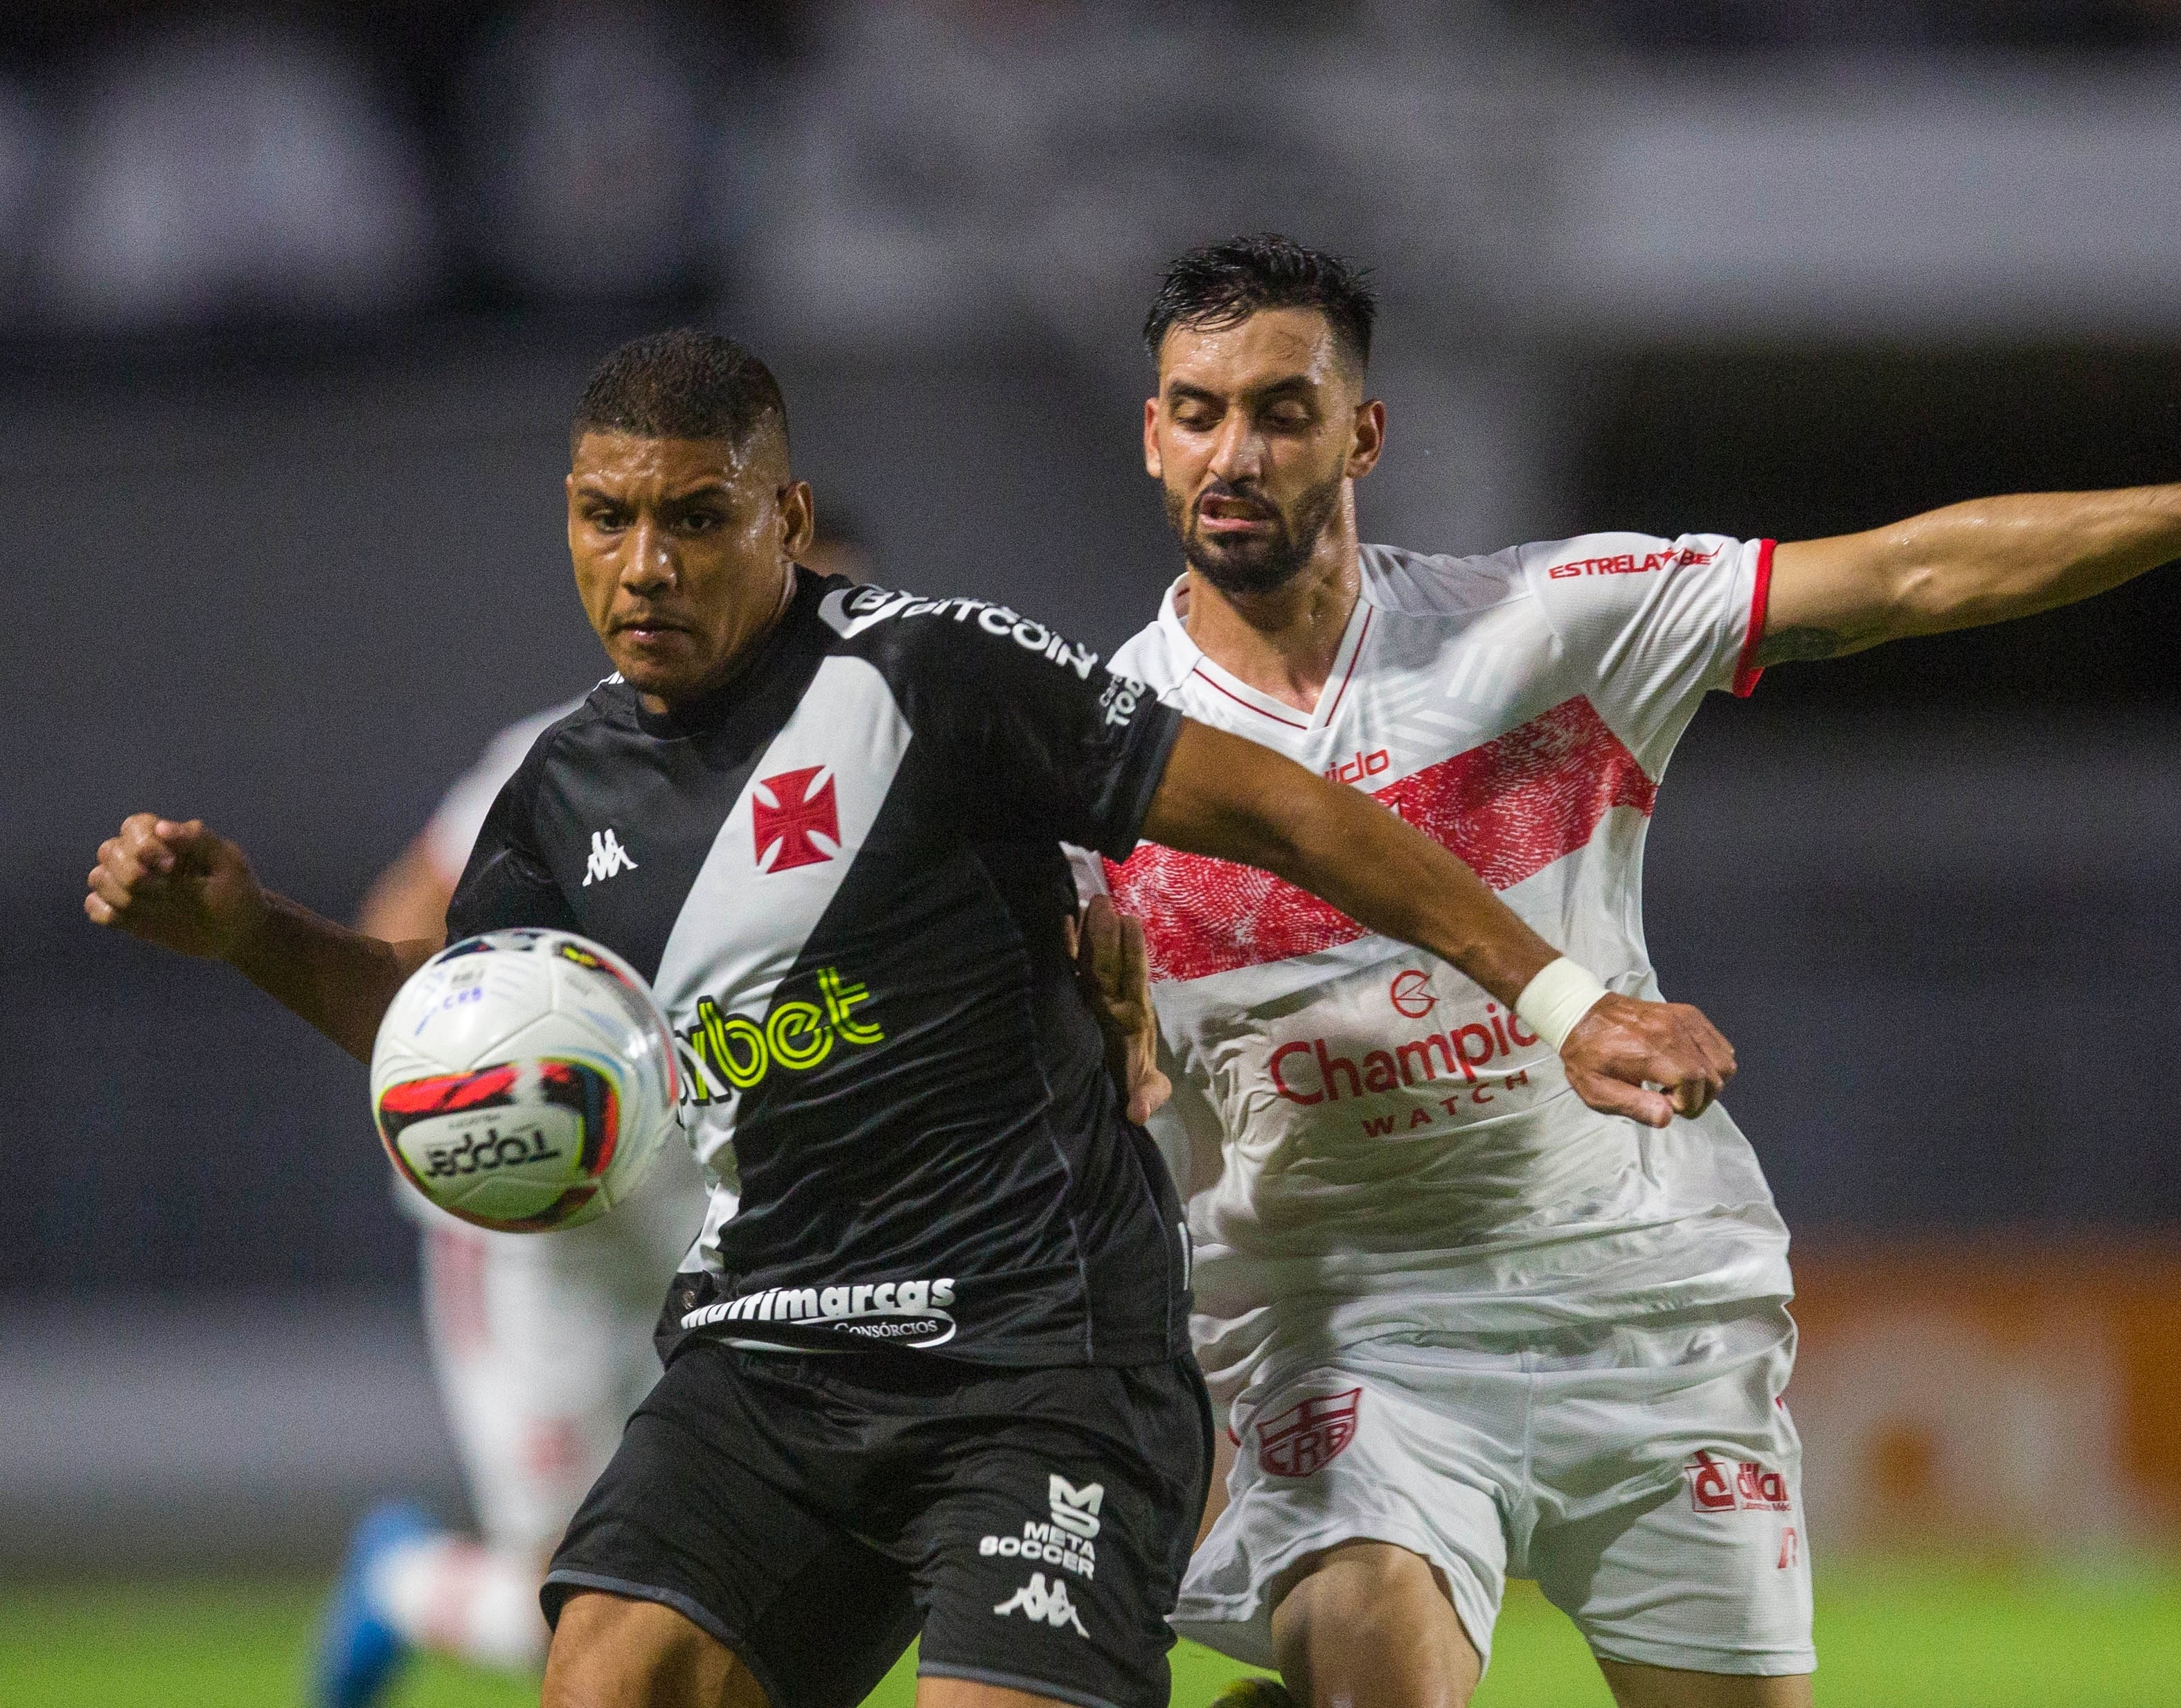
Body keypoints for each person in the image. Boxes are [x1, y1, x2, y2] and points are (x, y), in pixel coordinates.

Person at [84, 328, 1732, 1708]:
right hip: (774, 1352)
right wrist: (245, 933)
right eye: (603, 519)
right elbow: (449, 1029)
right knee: (605, 1674)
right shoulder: (562, 787)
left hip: (1041, 1359)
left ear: (784, 516)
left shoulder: (931, 676)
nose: (642, 565)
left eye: (692, 518)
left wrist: (1563, 995)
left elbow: (1287, 813)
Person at [1089, 235, 2181, 1708]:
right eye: (1198, 411)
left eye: (1282, 408)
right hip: (1349, 1329)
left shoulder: (1546, 626)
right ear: (1152, 437)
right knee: (1368, 1668)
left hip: (1643, 1300)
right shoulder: (1098, 759)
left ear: (1363, 434)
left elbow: (1911, 573)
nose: (1238, 450)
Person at [311, 525, 876, 1708]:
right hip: (541, 1214)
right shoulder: (567, 753)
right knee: (566, 1597)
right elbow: (407, 907)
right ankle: (401, 1581)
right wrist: (439, 1080)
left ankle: (406, 1580)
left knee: (710, 1569)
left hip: (709, 1197)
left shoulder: (879, 756)